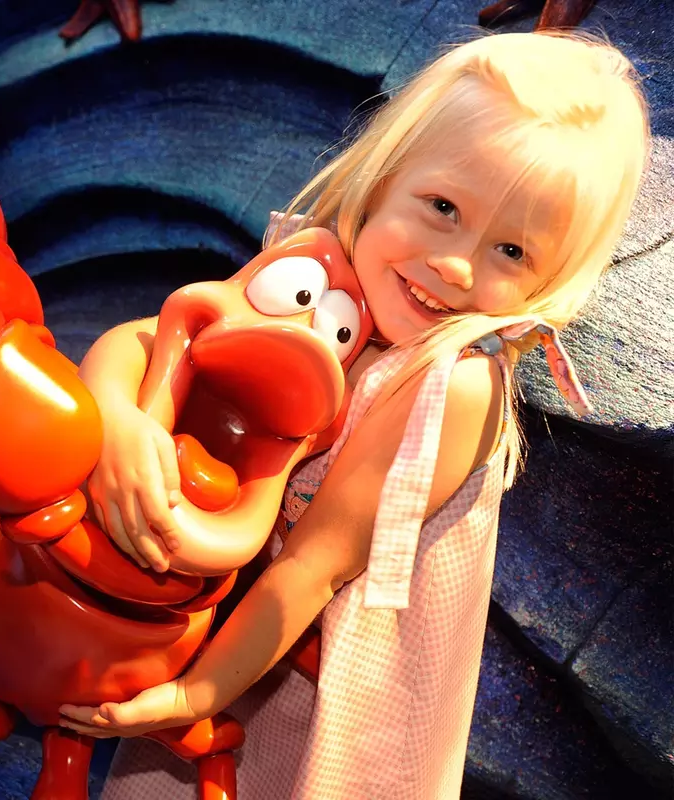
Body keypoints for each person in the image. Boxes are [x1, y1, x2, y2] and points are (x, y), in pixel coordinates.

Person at [59, 30, 649, 799]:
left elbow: (315, 565)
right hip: (227, 624)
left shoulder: (452, 383)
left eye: (511, 252)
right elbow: (153, 337)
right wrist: (117, 418)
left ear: (552, 278)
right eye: (441, 206)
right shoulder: (318, 273)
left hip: (316, 691)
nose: (457, 263)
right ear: (385, 179)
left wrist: (193, 697)